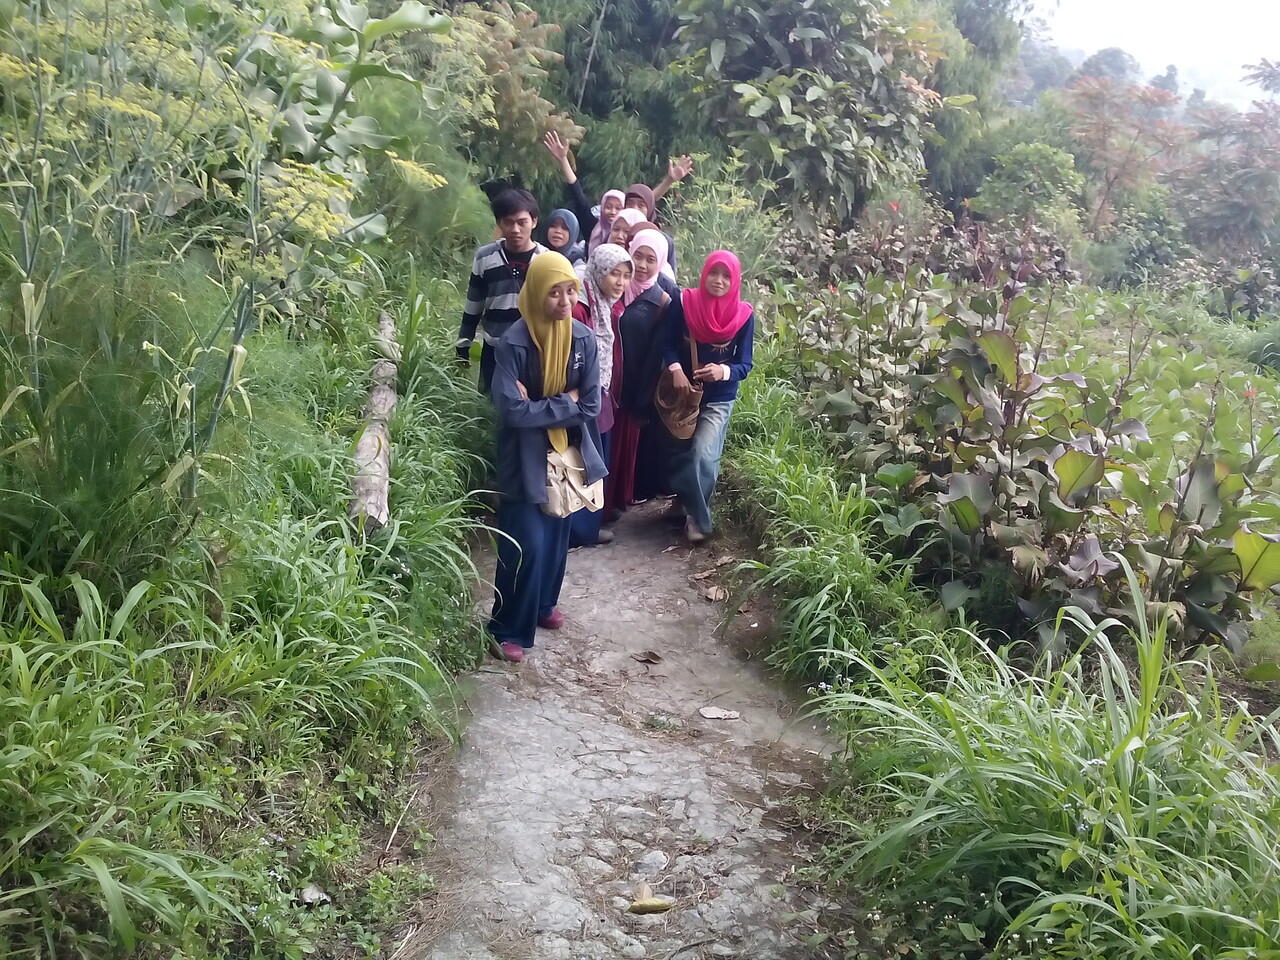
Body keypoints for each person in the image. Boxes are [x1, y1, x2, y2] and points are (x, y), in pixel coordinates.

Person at [488, 253, 606, 663]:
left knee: (557, 537)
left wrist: (541, 404)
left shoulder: (583, 339)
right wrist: (564, 401)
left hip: (565, 455)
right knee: (525, 543)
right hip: (522, 458)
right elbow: (511, 411)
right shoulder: (514, 343)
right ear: (536, 292)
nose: (564, 300)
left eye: (570, 290)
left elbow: (591, 404)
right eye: (554, 291)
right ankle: (506, 628)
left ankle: (540, 607)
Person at [663, 251, 755, 544]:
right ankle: (686, 500)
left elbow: (745, 364)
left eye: (726, 275)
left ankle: (698, 520)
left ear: (735, 280)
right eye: (714, 273)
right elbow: (666, 343)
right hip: (683, 394)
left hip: (719, 397)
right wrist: (675, 368)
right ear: (705, 274)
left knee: (704, 453)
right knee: (680, 450)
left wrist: (723, 370)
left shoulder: (744, 316)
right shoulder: (685, 303)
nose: (719, 281)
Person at [568, 243, 632, 547]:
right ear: (597, 272)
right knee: (586, 458)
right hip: (584, 395)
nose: (620, 282)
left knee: (596, 456)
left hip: (601, 393)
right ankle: (580, 530)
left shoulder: (605, 303)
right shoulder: (581, 307)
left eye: (625, 276)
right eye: (613, 274)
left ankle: (589, 523)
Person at [542, 131, 692, 256]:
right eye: (608, 206)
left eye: (618, 207)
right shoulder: (594, 230)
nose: (612, 212)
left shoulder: (641, 238)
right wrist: (563, 160)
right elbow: (578, 197)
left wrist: (669, 181)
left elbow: (646, 202)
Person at [608, 228, 673, 515]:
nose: (643, 265)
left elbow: (656, 354)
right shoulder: (616, 288)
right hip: (608, 383)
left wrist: (642, 398)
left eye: (650, 259)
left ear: (660, 263)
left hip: (634, 387)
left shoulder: (661, 301)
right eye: (638, 257)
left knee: (626, 446)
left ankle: (619, 501)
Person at [457, 188, 547, 393]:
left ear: (534, 221)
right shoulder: (485, 257)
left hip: (533, 350)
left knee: (527, 409)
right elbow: (474, 304)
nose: (515, 229)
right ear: (499, 223)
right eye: (508, 222)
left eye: (522, 222)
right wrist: (463, 345)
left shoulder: (546, 261)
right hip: (494, 347)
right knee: (489, 407)